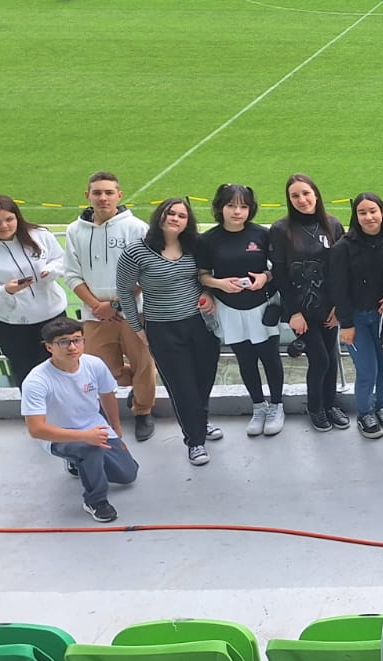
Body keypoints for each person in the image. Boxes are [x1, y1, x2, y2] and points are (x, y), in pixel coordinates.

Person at [116, 198, 223, 466]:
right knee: (182, 386)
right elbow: (125, 292)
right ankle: (195, 441)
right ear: (159, 216)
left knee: (203, 380)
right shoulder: (136, 252)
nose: (175, 218)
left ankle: (201, 421)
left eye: (181, 215)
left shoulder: (196, 247)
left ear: (188, 222)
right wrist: (137, 327)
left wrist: (208, 293)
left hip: (200, 324)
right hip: (163, 328)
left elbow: (206, 276)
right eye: (170, 213)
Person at [64, 172, 158, 440]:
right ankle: (132, 394)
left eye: (108, 192)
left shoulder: (137, 228)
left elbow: (146, 272)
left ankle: (143, 411)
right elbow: (71, 274)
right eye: (97, 193)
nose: (103, 198)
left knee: (143, 364)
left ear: (120, 195)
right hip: (94, 316)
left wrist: (116, 304)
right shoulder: (74, 231)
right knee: (104, 370)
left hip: (134, 311)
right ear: (87, 196)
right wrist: (96, 305)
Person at [21, 317, 138, 524]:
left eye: (77, 340)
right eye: (64, 342)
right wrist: (85, 437)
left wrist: (115, 427)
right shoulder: (37, 380)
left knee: (128, 475)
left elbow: (107, 394)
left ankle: (79, 462)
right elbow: (36, 429)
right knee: (88, 450)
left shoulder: (94, 364)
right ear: (49, 347)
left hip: (94, 428)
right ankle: (96, 501)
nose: (72, 347)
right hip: (58, 436)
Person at [195, 183, 283, 437]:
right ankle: (258, 406)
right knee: (245, 360)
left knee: (270, 358)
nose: (237, 212)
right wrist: (218, 283)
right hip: (229, 309)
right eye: (231, 205)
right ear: (219, 208)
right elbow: (201, 275)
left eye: (243, 206)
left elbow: (277, 268)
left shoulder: (261, 235)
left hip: (262, 308)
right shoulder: (208, 240)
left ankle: (276, 405)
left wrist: (264, 278)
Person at [0, 195, 67, 387]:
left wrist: (51, 271)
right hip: (13, 327)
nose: (3, 226)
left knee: (63, 370)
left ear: (17, 217)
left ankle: (68, 413)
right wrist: (5, 290)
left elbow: (62, 260)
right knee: (27, 378)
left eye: (9, 219)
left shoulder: (40, 235)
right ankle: (37, 417)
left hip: (54, 318)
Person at [271, 173, 348, 432]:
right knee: (320, 360)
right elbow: (280, 274)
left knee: (332, 358)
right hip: (301, 310)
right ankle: (315, 406)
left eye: (306, 193)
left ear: (316, 194)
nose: (302, 200)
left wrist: (340, 306)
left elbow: (341, 269)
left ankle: (331, 403)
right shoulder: (281, 230)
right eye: (295, 195)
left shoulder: (333, 225)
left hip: (329, 307)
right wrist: (293, 312)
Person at [330, 192, 383, 439]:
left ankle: (382, 407)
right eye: (362, 212)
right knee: (367, 370)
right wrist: (346, 324)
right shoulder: (343, 248)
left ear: (382, 213)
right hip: (356, 319)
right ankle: (365, 412)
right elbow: (338, 288)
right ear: (355, 216)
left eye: (373, 211)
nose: (369, 217)